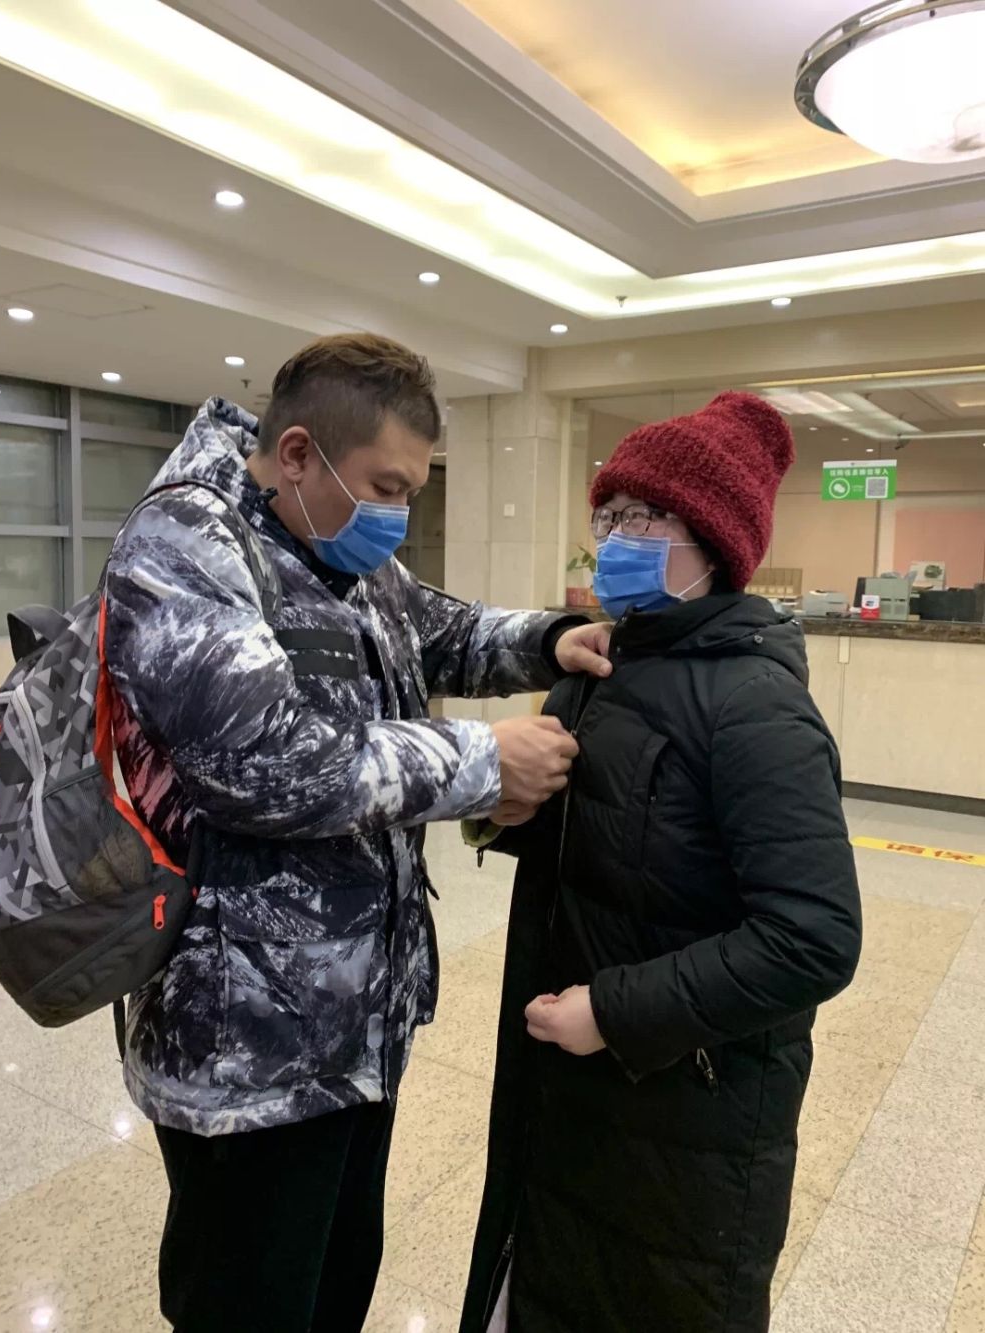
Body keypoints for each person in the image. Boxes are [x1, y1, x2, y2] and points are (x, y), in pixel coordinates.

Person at [102, 332, 612, 1333]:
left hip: (353, 1027)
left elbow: (443, 631)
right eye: (385, 487)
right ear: (299, 453)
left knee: (335, 1287)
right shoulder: (187, 545)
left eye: (412, 491)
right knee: (250, 1305)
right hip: (246, 1052)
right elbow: (268, 763)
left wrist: (553, 637)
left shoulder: (334, 547)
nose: (397, 514)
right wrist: (481, 762)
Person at [461, 392, 863, 1333]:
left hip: (686, 1121)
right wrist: (493, 808)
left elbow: (813, 936)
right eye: (607, 514)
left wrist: (613, 1012)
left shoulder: (758, 707)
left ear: (712, 542)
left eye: (645, 516)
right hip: (567, 1096)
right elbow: (594, 837)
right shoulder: (598, 670)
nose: (615, 539)